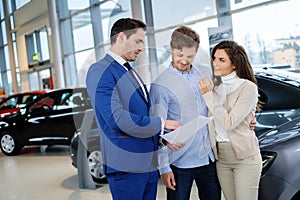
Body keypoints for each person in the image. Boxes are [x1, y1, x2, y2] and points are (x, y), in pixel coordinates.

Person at [86, 18, 180, 200]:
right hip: (126, 166)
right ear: (121, 37)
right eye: (138, 41)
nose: (141, 48)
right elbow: (117, 118)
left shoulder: (129, 70)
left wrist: (162, 137)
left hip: (147, 164)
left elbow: (140, 114)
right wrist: (161, 124)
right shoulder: (100, 70)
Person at [150, 25, 221, 200]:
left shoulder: (205, 74)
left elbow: (221, 104)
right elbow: (156, 128)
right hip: (179, 164)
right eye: (179, 55)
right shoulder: (161, 85)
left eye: (190, 56)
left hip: (208, 160)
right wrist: (164, 168)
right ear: (171, 49)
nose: (184, 60)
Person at [198, 40, 262, 200]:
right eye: (214, 59)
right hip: (221, 157)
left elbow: (229, 122)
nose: (215, 64)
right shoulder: (214, 85)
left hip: (244, 157)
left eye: (221, 60)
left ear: (234, 64)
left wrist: (208, 96)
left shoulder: (248, 88)